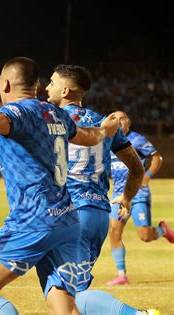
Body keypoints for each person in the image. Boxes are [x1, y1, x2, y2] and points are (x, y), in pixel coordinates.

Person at [0, 57, 120, 314]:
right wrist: (106, 130)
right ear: (37, 86)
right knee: (65, 307)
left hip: (32, 220)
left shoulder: (16, 112)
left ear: (4, 84)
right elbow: (89, 137)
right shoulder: (55, 113)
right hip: (67, 221)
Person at [46, 64, 160, 315]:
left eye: (52, 82)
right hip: (98, 213)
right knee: (70, 293)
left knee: (66, 295)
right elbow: (137, 169)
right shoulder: (104, 122)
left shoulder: (54, 119)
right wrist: (127, 198)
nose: (46, 87)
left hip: (70, 212)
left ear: (65, 90)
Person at [107, 111, 174, 286]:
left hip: (138, 194)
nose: (119, 121)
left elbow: (157, 158)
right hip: (118, 195)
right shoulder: (109, 141)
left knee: (144, 236)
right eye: (115, 118)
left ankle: (162, 231)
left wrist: (147, 176)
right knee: (114, 231)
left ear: (128, 122)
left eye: (122, 118)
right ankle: (122, 275)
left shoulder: (136, 139)